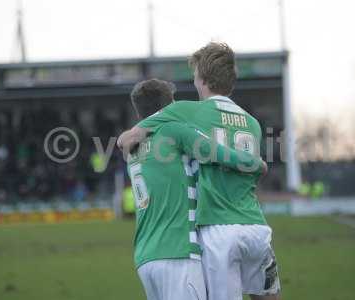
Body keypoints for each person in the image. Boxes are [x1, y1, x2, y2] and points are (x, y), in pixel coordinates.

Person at [118, 42, 280, 300]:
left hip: (217, 229)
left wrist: (127, 139)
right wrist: (257, 163)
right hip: (256, 225)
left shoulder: (186, 112)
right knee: (268, 295)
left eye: (194, 77)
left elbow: (134, 134)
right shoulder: (253, 122)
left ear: (202, 80)